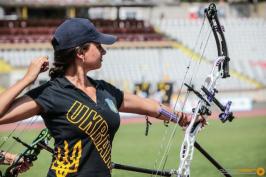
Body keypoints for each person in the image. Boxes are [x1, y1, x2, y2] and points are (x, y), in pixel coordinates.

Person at [0, 18, 196, 177]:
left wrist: (181, 118)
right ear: (80, 52)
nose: (104, 51)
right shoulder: (50, 93)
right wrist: (28, 79)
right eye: (98, 46)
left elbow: (150, 107)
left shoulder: (105, 91)